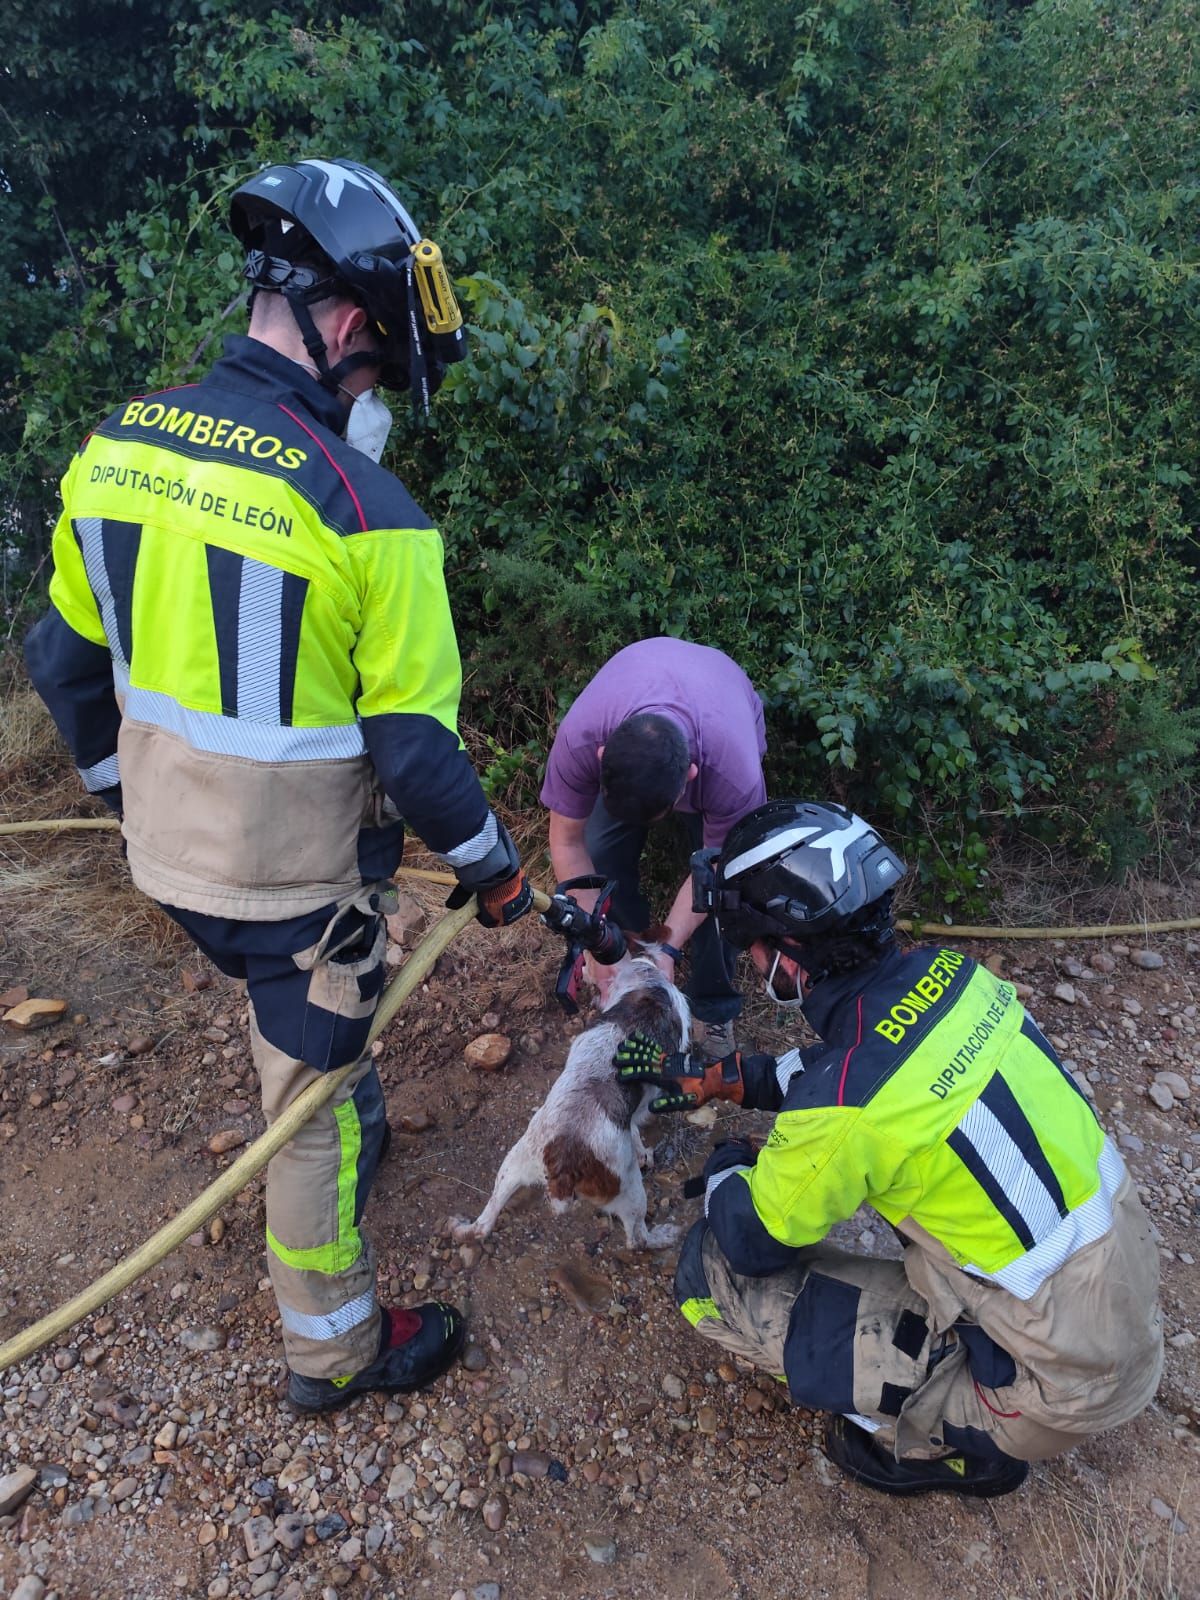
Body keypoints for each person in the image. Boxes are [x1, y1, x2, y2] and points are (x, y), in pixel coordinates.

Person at [24, 157, 533, 1412]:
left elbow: (62, 663)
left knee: (304, 1033)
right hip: (296, 893)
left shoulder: (116, 448)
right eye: (377, 372)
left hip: (164, 861)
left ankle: (343, 1088)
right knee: (310, 1109)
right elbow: (417, 756)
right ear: (348, 324)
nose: (374, 398)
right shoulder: (373, 515)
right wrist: (497, 875)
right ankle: (334, 1348)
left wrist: (122, 798)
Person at [614, 800, 1163, 1495]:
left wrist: (728, 1166)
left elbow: (752, 1240)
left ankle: (953, 1447)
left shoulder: (845, 1105)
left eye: (752, 946)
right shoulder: (958, 978)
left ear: (788, 955)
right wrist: (736, 1079)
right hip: (1125, 1308)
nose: (751, 962)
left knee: (709, 1274)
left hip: (1052, 1388)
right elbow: (866, 1066)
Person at [540, 637, 766, 1057]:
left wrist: (669, 947)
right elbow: (567, 841)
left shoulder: (734, 774)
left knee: (727, 893)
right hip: (641, 681)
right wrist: (598, 942)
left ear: (689, 779)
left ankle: (713, 1007)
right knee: (599, 849)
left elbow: (716, 870)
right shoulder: (581, 738)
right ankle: (627, 963)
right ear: (602, 757)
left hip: (722, 700)